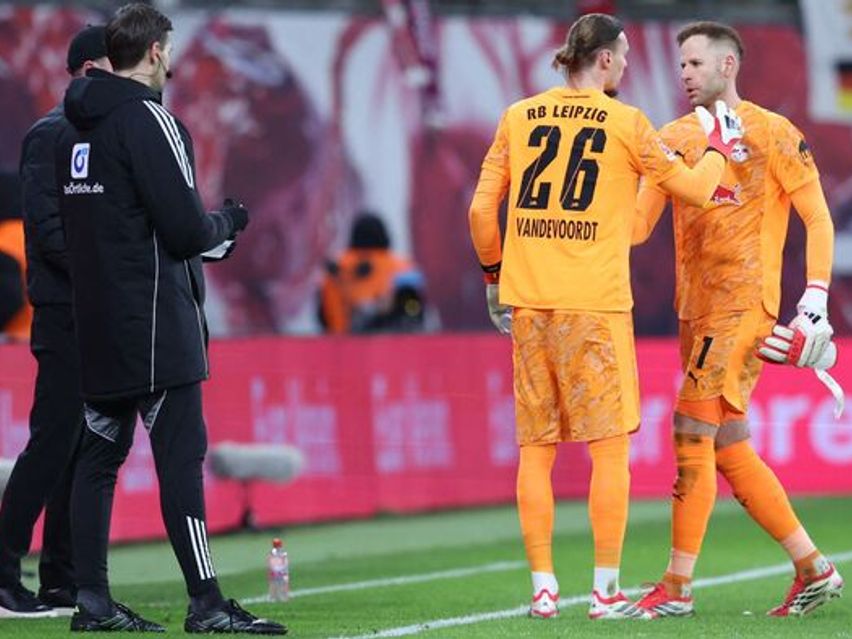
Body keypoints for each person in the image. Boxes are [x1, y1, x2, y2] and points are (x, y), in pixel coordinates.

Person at [468, 12, 743, 621]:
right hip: (595, 306)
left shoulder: (518, 116)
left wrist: (493, 278)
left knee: (536, 451)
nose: (626, 66)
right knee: (609, 451)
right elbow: (698, 189)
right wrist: (720, 145)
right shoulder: (626, 123)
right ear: (606, 59)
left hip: (530, 304)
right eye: (624, 57)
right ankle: (604, 591)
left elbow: (482, 210)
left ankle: (543, 590)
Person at [56, 4, 284, 634]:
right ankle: (206, 603)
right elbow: (185, 232)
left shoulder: (70, 132)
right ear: (155, 51)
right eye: (171, 50)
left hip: (96, 324)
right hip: (156, 325)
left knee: (97, 461)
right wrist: (229, 222)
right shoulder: (151, 120)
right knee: (180, 461)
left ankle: (92, 602)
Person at [631, 21, 843, 617]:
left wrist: (815, 297)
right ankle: (813, 568)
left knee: (689, 431)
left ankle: (677, 587)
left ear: (728, 65)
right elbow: (638, 227)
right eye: (680, 64)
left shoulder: (773, 132)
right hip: (694, 313)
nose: (684, 73)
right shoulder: (672, 137)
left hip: (742, 307)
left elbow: (818, 218)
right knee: (728, 443)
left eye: (695, 63)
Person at [0, 27, 110, 618]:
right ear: (89, 68)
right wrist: (110, 271)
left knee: (84, 443)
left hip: (97, 310)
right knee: (54, 439)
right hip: (65, 310)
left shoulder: (102, 133)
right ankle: (3, 568)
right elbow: (48, 229)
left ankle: (61, 577)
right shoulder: (50, 135)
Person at [319, 211, 427, 333]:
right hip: (392, 333)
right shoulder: (402, 266)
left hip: (343, 336)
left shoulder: (338, 266)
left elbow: (325, 313)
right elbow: (414, 307)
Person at [0, 172, 32, 342]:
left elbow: (9, 298)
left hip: (10, 340)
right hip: (45, 337)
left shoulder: (4, 242)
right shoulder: (37, 235)